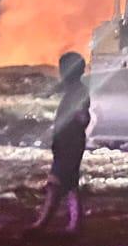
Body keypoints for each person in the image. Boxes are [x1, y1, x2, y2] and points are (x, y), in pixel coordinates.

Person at [32, 51, 89, 232]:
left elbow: (83, 116)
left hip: (69, 144)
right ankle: (75, 222)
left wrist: (79, 118)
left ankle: (43, 223)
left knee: (54, 183)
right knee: (70, 184)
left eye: (63, 69)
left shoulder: (77, 93)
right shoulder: (76, 91)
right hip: (69, 143)